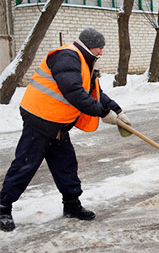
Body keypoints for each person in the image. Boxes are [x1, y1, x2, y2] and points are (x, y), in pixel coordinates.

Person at [0, 28, 131, 232]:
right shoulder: (67, 57)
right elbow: (74, 92)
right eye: (100, 48)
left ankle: (72, 205)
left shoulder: (83, 61)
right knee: (26, 164)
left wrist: (116, 110)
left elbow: (94, 92)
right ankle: (3, 207)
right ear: (89, 45)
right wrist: (102, 113)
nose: (101, 53)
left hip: (57, 122)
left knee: (66, 163)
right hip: (40, 117)